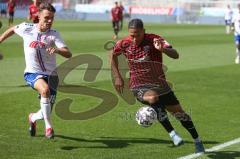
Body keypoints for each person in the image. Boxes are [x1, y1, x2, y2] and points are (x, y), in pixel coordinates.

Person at [110, 18, 205, 153]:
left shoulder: (155, 39)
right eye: (132, 35)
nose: (135, 38)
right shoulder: (124, 43)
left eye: (138, 35)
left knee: (181, 115)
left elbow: (175, 55)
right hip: (138, 85)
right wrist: (117, 77)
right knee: (153, 98)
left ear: (144, 31)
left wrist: (163, 50)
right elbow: (112, 55)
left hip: (161, 85)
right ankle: (172, 133)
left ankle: (198, 141)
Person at [0, 2, 72, 139]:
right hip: (32, 73)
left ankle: (33, 118)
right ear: (38, 16)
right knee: (45, 90)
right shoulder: (26, 28)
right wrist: (0, 39)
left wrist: (57, 50)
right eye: (46, 18)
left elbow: (68, 54)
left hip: (52, 76)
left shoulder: (54, 34)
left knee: (47, 109)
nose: (50, 21)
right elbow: (12, 29)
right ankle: (48, 127)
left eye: (52, 18)